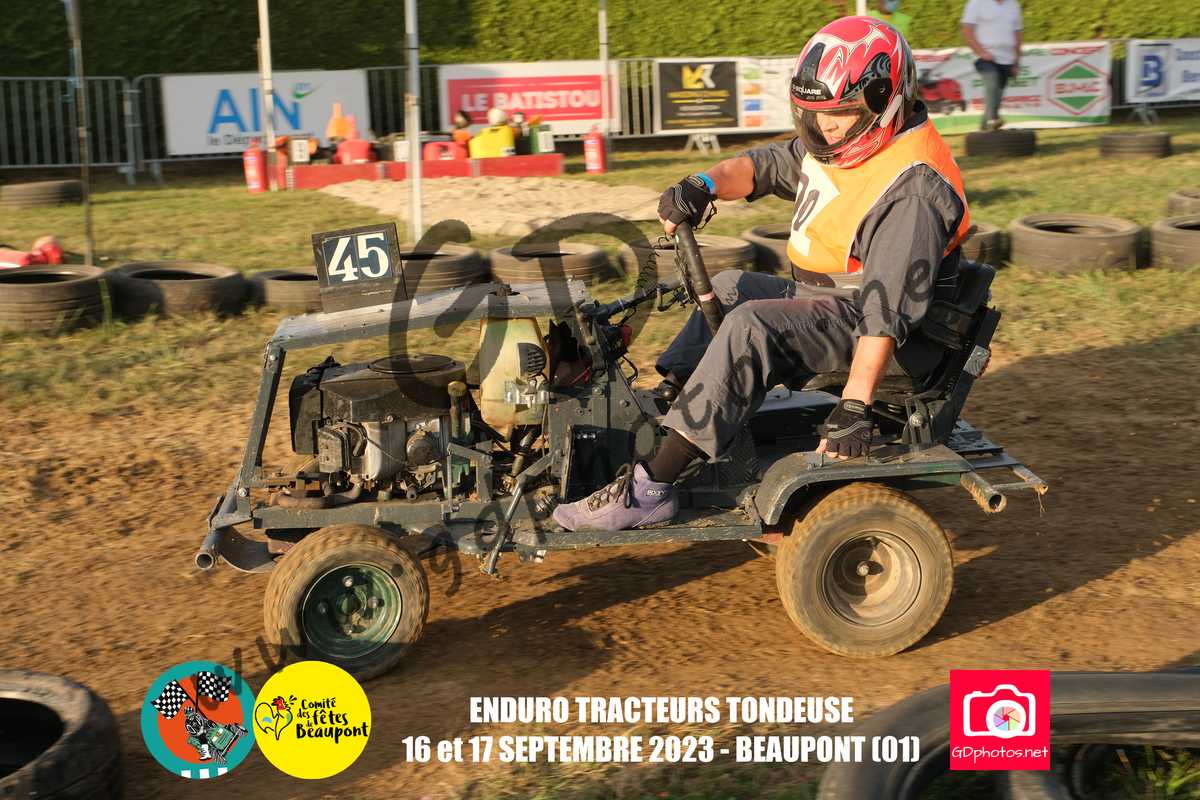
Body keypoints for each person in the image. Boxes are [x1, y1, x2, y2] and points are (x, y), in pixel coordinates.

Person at [553, 16, 972, 532]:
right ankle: (676, 406)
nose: (826, 127)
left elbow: (886, 312)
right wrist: (702, 184)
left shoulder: (914, 189)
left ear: (885, 99)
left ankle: (651, 489)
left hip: (892, 335)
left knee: (753, 325)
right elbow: (766, 165)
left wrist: (854, 407)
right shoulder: (848, 144)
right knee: (732, 288)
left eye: (840, 113)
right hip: (841, 300)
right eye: (816, 115)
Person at [960, 0, 1023, 130]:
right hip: (984, 57)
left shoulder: (1013, 5)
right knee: (992, 82)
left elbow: (1017, 35)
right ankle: (993, 118)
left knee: (996, 97)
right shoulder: (976, 3)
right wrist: (981, 52)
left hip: (1007, 59)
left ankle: (985, 129)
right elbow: (967, 31)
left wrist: (1016, 62)